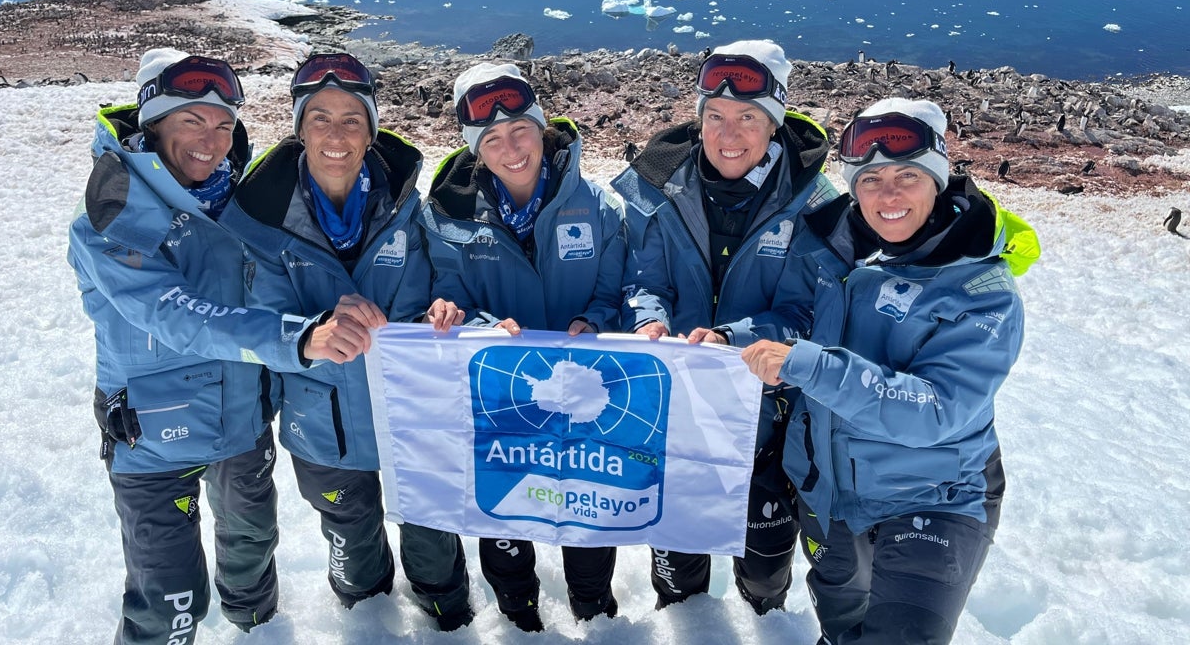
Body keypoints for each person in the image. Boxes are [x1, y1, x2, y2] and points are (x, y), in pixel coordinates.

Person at [68, 50, 380, 645]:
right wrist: (299, 337)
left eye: (223, 124)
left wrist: (331, 311)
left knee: (252, 558)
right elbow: (172, 315)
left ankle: (257, 631)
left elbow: (270, 290)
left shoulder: (239, 201)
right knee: (170, 602)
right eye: (192, 120)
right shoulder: (109, 215)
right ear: (153, 123)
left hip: (241, 423)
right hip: (152, 439)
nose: (210, 140)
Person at [742, 97, 1036, 644]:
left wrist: (808, 365)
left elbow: (936, 410)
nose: (889, 194)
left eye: (908, 175)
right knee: (842, 623)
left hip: (934, 496)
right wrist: (732, 339)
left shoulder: (981, 289)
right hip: (826, 490)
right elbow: (797, 320)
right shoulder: (832, 248)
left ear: (938, 180)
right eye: (871, 178)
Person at [218, 52, 473, 631]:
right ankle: (366, 613)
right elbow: (246, 319)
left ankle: (448, 609)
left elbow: (452, 273)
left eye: (352, 119)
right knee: (353, 545)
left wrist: (450, 306)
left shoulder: (410, 204)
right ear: (299, 128)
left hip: (417, 414)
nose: (336, 135)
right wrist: (313, 328)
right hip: (323, 426)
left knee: (433, 534)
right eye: (320, 119)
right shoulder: (254, 219)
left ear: (372, 128)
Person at [610, 39, 839, 615]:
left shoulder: (815, 202)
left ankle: (766, 613)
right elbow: (644, 281)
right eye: (715, 116)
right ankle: (683, 615)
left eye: (747, 118)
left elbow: (806, 313)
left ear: (775, 123)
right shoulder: (659, 186)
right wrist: (649, 324)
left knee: (764, 571)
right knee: (678, 567)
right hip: (675, 411)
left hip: (768, 417)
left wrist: (731, 340)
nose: (728, 134)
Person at [421, 62, 626, 631]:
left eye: (521, 131)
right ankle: (518, 613)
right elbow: (448, 293)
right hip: (502, 395)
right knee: (506, 507)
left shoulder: (601, 206)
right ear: (475, 149)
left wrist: (592, 320)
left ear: (544, 130)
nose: (511, 149)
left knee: (585, 505)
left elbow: (615, 293)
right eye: (491, 139)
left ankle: (593, 608)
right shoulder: (449, 215)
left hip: (585, 393)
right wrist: (478, 321)